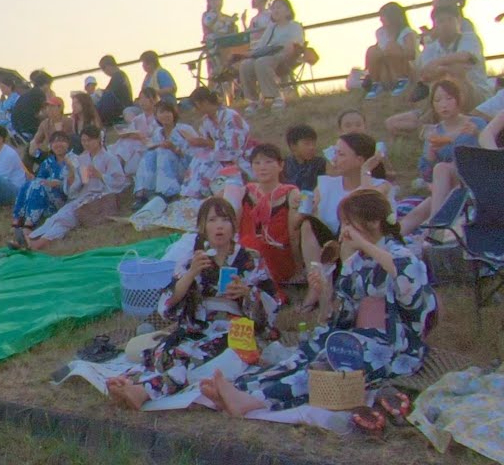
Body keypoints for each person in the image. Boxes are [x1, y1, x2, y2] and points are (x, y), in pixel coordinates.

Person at [206, 191, 436, 416]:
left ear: (374, 222)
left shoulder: (401, 255)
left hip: (392, 344)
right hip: (357, 334)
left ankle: (255, 400)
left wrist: (364, 246)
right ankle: (244, 387)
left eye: (349, 223)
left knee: (327, 365)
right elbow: (341, 315)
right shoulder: (357, 260)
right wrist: (324, 289)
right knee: (308, 351)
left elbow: (409, 287)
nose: (345, 230)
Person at [107, 198, 279, 410]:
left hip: (235, 329)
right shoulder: (193, 259)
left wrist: (247, 293)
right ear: (203, 227)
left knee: (195, 361)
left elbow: (271, 303)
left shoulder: (250, 259)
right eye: (212, 220)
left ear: (234, 225)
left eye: (225, 220)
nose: (219, 226)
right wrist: (191, 273)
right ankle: (128, 381)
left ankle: (143, 391)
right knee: (169, 352)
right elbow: (167, 303)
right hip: (198, 326)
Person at [387, 2, 491, 134]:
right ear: (435, 25)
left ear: (458, 21)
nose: (446, 24)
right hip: (440, 98)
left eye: (450, 20)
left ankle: (437, 123)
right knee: (391, 123)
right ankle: (433, 124)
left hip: (476, 95)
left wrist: (437, 64)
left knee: (456, 76)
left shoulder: (470, 38)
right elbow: (425, 74)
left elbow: (465, 58)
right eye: (441, 21)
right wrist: (444, 68)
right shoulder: (431, 48)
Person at [300, 133, 393, 280]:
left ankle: (346, 285)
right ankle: (315, 283)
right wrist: (308, 210)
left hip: (361, 246)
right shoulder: (326, 183)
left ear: (360, 160)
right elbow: (312, 217)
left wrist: (365, 171)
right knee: (307, 224)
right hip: (330, 247)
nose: (335, 159)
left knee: (350, 228)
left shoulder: (380, 186)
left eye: (341, 154)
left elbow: (367, 205)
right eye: (335, 153)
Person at [399, 80, 485, 236]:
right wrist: (430, 155)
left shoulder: (475, 124)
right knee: (417, 213)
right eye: (437, 100)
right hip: (450, 187)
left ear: (459, 99)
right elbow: (426, 174)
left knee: (442, 168)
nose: (443, 104)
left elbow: (490, 154)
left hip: (475, 180)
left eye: (448, 98)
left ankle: (435, 227)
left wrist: (478, 135)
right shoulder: (434, 132)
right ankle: (389, 241)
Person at [24, 126, 127, 249]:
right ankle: (33, 238)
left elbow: (119, 181)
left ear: (98, 140)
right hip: (83, 196)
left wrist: (101, 176)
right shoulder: (82, 159)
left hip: (100, 197)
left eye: (89, 140)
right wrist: (72, 172)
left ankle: (39, 241)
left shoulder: (109, 158)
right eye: (83, 141)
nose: (86, 144)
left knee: (67, 217)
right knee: (59, 215)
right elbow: (79, 185)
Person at [229, 144, 302, 288]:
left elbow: (295, 233)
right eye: (257, 163)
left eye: (269, 162)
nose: (262, 167)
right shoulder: (245, 191)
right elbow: (233, 225)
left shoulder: (290, 193)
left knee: (251, 243)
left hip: (277, 254)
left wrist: (299, 267)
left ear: (280, 165)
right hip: (246, 252)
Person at [181, 87, 252, 199]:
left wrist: (208, 143)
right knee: (199, 158)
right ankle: (190, 194)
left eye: (197, 106)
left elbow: (234, 148)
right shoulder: (206, 121)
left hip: (239, 157)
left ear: (204, 103)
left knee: (205, 161)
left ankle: (197, 194)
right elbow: (205, 143)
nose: (196, 110)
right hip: (220, 156)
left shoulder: (230, 116)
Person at [238, 0, 304, 112]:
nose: (275, 10)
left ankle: (276, 97)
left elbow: (296, 44)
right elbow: (262, 44)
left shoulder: (295, 26)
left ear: (288, 11)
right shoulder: (271, 27)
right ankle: (253, 101)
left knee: (262, 62)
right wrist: (251, 54)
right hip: (269, 54)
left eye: (278, 7)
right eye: (273, 8)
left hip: (285, 55)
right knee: (245, 65)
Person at [11, 132, 80, 232]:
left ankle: (29, 224)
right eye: (54, 142)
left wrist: (60, 183)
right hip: (48, 196)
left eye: (61, 141)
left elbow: (77, 182)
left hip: (66, 197)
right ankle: (18, 218)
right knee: (29, 184)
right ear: (50, 146)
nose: (58, 144)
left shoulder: (74, 159)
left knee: (38, 185)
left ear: (68, 144)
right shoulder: (48, 161)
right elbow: (40, 178)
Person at [133, 100, 198, 205]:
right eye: (161, 112)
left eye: (168, 112)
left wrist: (174, 149)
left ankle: (169, 192)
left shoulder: (184, 129)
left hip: (186, 169)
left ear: (174, 113)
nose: (165, 115)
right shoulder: (157, 133)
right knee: (149, 154)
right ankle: (143, 192)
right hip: (163, 170)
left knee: (164, 152)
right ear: (156, 116)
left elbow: (195, 156)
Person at [364, 2, 419, 100]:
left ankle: (402, 81)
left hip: (406, 69)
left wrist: (393, 51)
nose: (380, 19)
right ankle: (376, 83)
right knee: (372, 50)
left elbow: (412, 54)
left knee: (392, 47)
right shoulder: (380, 32)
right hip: (386, 70)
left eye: (383, 16)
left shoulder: (406, 32)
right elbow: (378, 49)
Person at [283, 124, 328, 194]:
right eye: (307, 144)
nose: (312, 147)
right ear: (293, 146)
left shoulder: (320, 163)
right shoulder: (283, 165)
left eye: (314, 144)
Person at [11, 70, 54, 142]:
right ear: (46, 84)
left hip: (17, 125)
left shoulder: (29, 93)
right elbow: (45, 113)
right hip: (29, 126)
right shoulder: (40, 94)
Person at [96, 55, 133, 125]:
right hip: (121, 106)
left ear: (108, 66)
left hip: (122, 107)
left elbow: (110, 92)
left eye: (103, 68)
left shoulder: (118, 75)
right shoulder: (119, 75)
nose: (104, 71)